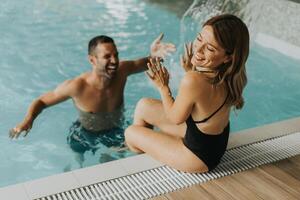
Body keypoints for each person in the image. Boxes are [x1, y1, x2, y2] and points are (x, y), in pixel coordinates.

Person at [9, 34, 176, 156]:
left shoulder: (122, 71)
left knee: (113, 162)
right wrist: (28, 119)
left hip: (114, 130)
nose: (114, 60)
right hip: (84, 134)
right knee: (79, 162)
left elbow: (147, 63)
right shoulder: (77, 86)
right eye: (107, 57)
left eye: (116, 55)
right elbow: (42, 100)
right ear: (92, 60)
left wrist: (154, 55)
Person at [124, 14, 249, 173]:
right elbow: (204, 98)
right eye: (199, 39)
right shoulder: (233, 76)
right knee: (143, 106)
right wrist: (192, 71)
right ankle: (152, 142)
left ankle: (140, 153)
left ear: (227, 57)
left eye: (210, 48)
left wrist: (163, 87)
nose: (199, 49)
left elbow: (175, 118)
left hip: (198, 157)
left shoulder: (194, 80)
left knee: (131, 133)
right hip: (213, 142)